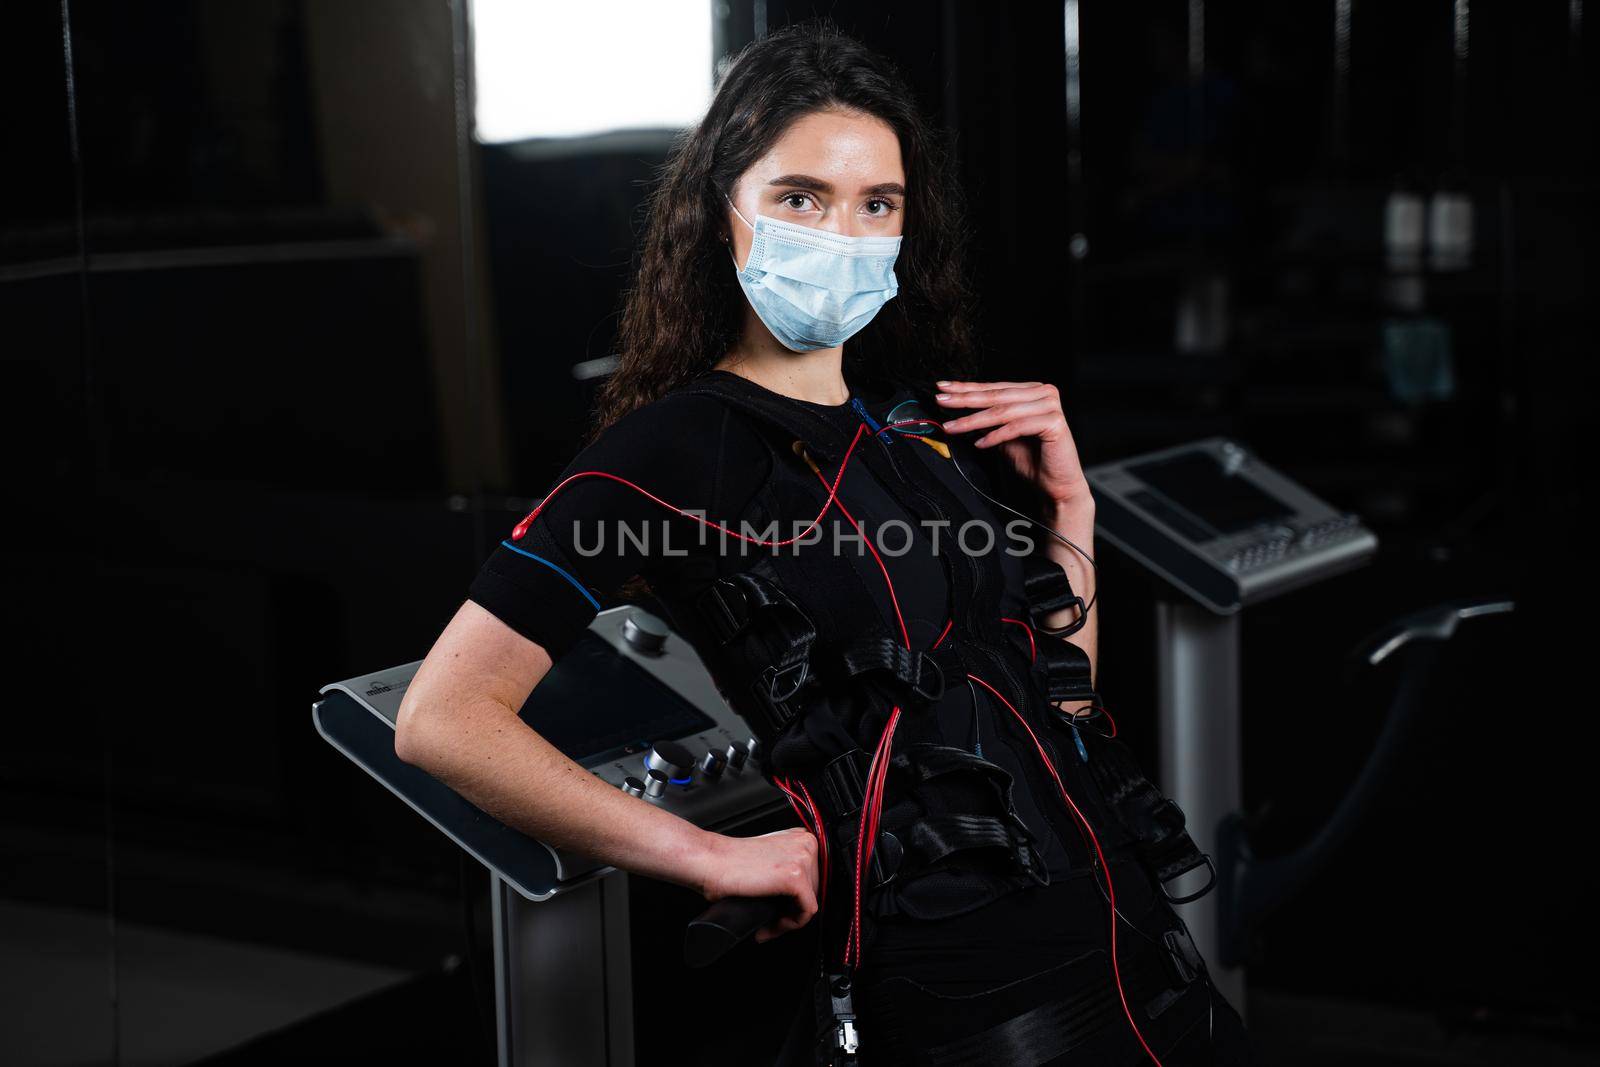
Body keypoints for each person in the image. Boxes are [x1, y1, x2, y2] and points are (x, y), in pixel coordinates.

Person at [395, 23, 1256, 1067]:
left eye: (875, 204)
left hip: (1125, 930)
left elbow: (1057, 705)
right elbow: (441, 718)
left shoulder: (915, 432)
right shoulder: (669, 448)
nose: (841, 232)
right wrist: (704, 849)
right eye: (801, 197)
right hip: (964, 982)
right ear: (723, 213)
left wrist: (1068, 514)